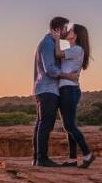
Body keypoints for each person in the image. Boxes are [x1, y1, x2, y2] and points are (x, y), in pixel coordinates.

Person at [32, 16, 79, 167]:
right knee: (45, 124)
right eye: (66, 28)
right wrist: (68, 76)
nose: (68, 30)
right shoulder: (47, 44)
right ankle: (42, 159)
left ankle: (38, 158)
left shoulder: (52, 43)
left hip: (46, 89)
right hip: (47, 89)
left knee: (42, 123)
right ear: (58, 29)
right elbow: (50, 69)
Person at [54, 24, 95, 168]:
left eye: (70, 30)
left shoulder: (77, 49)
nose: (67, 31)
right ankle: (72, 159)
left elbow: (57, 54)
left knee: (69, 125)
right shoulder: (72, 50)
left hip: (69, 90)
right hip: (67, 89)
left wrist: (57, 38)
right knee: (68, 126)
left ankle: (88, 154)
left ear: (75, 35)